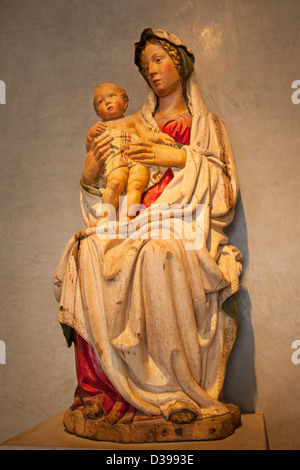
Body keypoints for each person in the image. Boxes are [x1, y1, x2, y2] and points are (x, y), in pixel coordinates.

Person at [55, 28, 242, 426]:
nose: (152, 71)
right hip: (131, 220)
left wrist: (173, 156)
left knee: (158, 253)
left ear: (180, 62)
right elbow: (107, 187)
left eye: (159, 59)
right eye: (145, 66)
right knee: (85, 249)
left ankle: (172, 389)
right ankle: (102, 392)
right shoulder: (129, 123)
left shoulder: (205, 125)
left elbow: (224, 189)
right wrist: (89, 175)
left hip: (182, 225)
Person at [87, 81, 176, 220]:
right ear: (98, 113)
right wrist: (91, 135)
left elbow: (146, 135)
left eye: (111, 96)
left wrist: (159, 138)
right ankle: (106, 218)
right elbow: (91, 151)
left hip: (137, 157)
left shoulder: (133, 120)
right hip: (116, 160)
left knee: (137, 184)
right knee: (115, 182)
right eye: (100, 102)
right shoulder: (100, 127)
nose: (107, 102)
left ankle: (129, 218)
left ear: (125, 102)